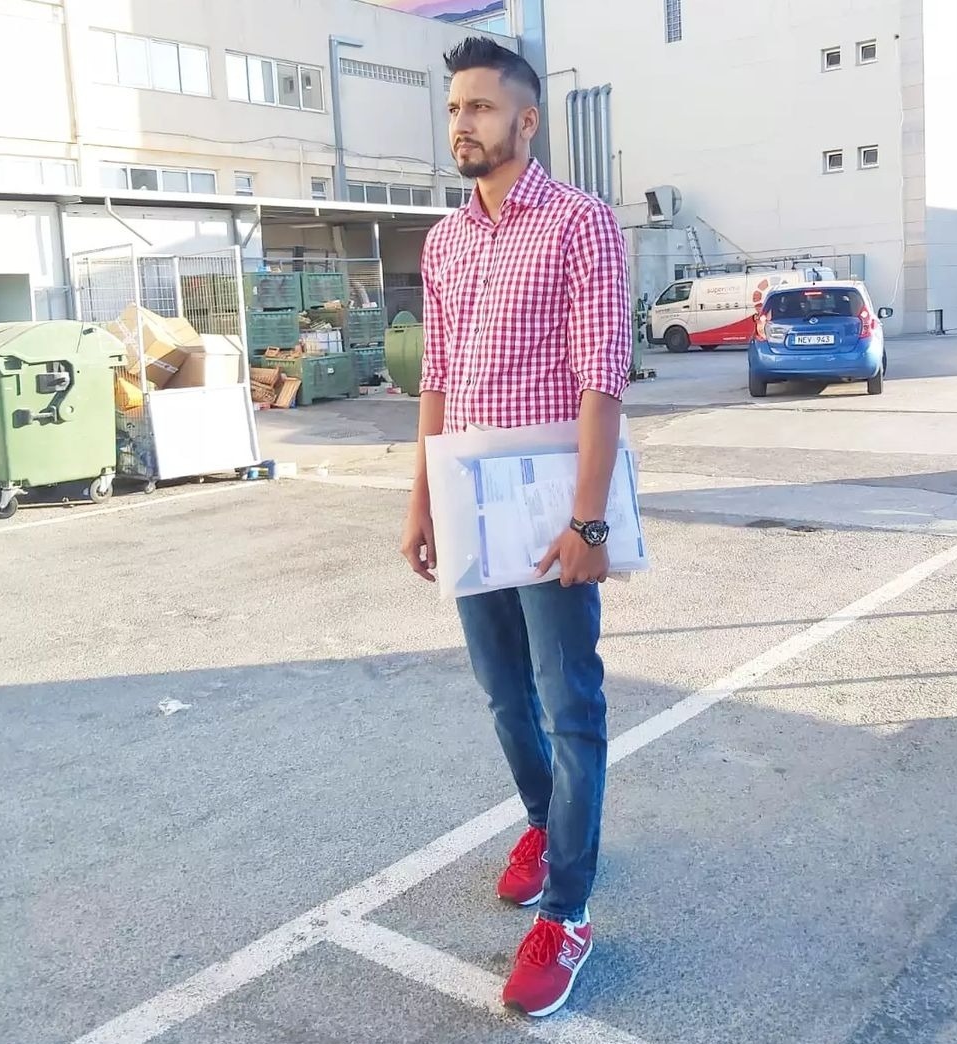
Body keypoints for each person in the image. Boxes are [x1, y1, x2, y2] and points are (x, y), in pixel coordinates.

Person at [400, 36, 631, 1018]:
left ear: (527, 122)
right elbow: (437, 379)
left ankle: (569, 914)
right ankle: (545, 821)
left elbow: (601, 379)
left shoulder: (582, 223)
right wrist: (421, 502)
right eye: (455, 108)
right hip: (469, 498)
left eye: (482, 108)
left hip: (549, 502)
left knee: (568, 700)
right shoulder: (444, 241)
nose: (463, 124)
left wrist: (590, 522)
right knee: (503, 694)